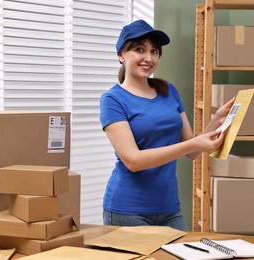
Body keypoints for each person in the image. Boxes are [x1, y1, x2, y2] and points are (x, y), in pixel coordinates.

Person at [99, 19, 234, 231]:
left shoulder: (168, 90)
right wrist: (194, 144)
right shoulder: (113, 100)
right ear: (121, 56)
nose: (148, 58)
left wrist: (216, 121)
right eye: (139, 50)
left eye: (154, 51)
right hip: (128, 209)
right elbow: (134, 161)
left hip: (169, 208)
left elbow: (191, 149)